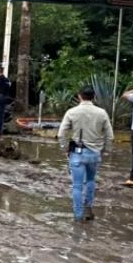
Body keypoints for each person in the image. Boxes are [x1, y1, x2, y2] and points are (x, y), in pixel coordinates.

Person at [57, 86, 114, 223]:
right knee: (91, 181)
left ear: (79, 96)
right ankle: (88, 208)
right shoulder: (102, 113)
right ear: (94, 97)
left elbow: (61, 134)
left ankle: (78, 216)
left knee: (77, 186)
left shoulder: (72, 112)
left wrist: (65, 148)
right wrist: (105, 150)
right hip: (94, 153)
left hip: (77, 153)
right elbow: (110, 136)